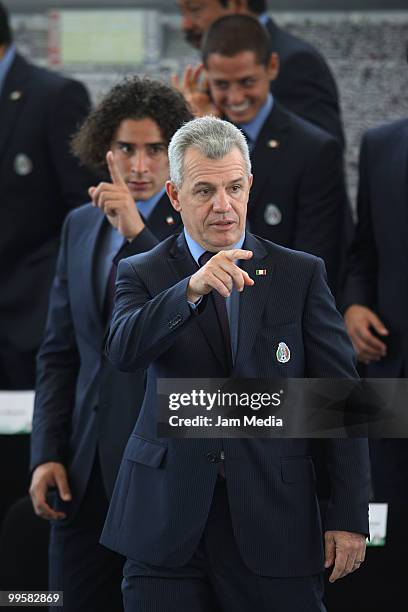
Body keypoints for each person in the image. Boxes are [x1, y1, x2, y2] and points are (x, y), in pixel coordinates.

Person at [101, 116, 370, 612]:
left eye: (234, 187)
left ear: (250, 186)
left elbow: (341, 400)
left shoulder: (300, 273)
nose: (223, 206)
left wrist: (349, 514)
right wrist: (190, 289)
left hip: (275, 518)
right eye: (204, 190)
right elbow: (123, 352)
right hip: (165, 524)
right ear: (175, 196)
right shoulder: (142, 271)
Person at [29, 77, 193, 612]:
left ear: (175, 157)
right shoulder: (79, 225)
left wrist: (136, 233)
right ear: (105, 149)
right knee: (58, 601)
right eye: (127, 148)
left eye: (153, 150)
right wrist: (47, 454)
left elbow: (194, 327)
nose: (139, 166)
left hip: (159, 472)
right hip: (81, 471)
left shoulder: (199, 225)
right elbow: (60, 353)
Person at [0, 1, 93, 530]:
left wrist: (51, 305)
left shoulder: (54, 97)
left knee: (39, 471)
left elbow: (83, 216)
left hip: (33, 323)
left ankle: (33, 589)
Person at [179, 14, 348, 293]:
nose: (235, 98)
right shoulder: (196, 139)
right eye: (221, 84)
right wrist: (194, 127)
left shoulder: (313, 150)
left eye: (247, 82)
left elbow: (315, 263)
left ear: (271, 67)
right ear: (206, 75)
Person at [342, 117, 408, 502]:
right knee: (385, 520)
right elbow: (364, 250)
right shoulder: (379, 145)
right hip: (390, 368)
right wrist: (354, 305)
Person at [176, 0, 344, 144]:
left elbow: (320, 154)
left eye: (195, 9)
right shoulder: (216, 60)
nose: (185, 24)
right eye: (221, 84)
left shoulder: (296, 61)